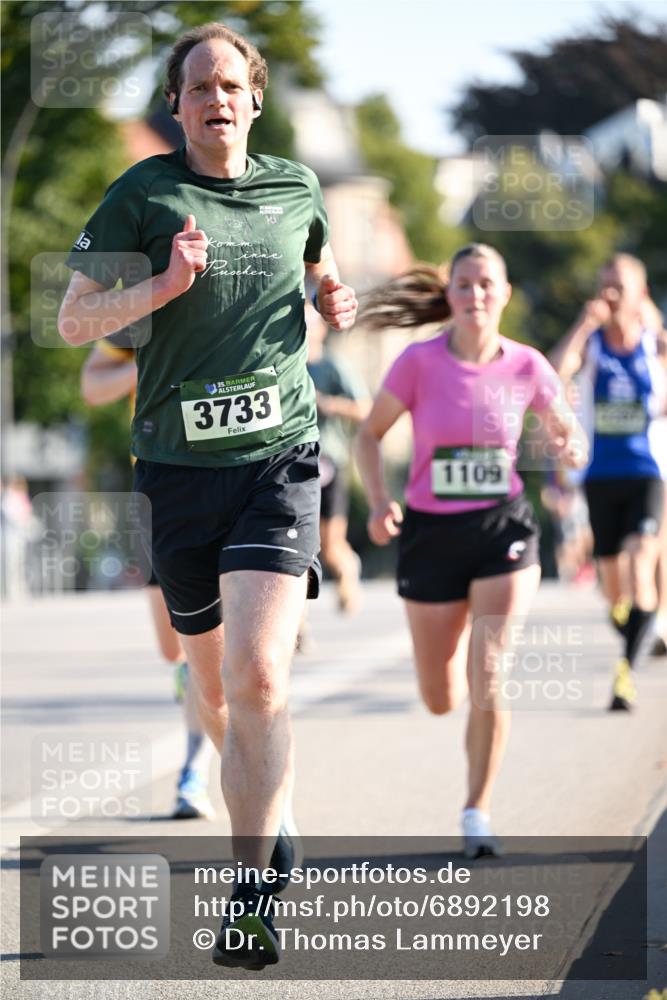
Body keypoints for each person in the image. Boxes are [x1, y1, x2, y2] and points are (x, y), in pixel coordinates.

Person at [58, 21, 357, 970]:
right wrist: (164, 284)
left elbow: (322, 272)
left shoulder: (295, 187)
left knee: (259, 676)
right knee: (216, 689)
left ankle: (250, 898)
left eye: (230, 85)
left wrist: (335, 299)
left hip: (278, 459)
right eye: (198, 88)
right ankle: (275, 815)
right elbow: (74, 323)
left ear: (254, 99)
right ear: (176, 106)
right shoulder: (142, 195)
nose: (215, 99)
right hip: (176, 474)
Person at [356, 244, 587, 858]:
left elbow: (571, 433)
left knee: (490, 675)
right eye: (464, 284)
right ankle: (453, 664)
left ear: (504, 293)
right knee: (440, 698)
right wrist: (378, 502)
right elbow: (370, 435)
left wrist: (570, 446)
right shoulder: (418, 363)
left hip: (500, 529)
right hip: (430, 535)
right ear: (450, 293)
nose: (476, 294)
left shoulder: (528, 365)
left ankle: (477, 811)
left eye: (487, 283)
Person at [80, 336, 216, 821]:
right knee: (174, 649)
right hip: (164, 487)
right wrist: (152, 364)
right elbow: (92, 386)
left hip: (243, 478)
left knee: (223, 651)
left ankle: (195, 768)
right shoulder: (142, 311)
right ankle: (198, 685)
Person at [552, 255, 667, 710]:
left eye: (619, 286)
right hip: (599, 476)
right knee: (614, 589)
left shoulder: (655, 346)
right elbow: (554, 373)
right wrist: (584, 324)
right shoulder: (594, 345)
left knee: (642, 565)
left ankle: (625, 675)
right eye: (604, 286)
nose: (610, 295)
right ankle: (634, 624)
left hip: (648, 474)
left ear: (641, 294)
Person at [306, 302, 370, 614]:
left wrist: (327, 404)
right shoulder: (282, 365)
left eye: (310, 324)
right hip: (289, 463)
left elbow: (364, 408)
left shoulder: (332, 366)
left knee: (330, 545)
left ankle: (347, 570)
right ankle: (295, 621)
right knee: (292, 543)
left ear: (321, 329)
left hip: (328, 461)